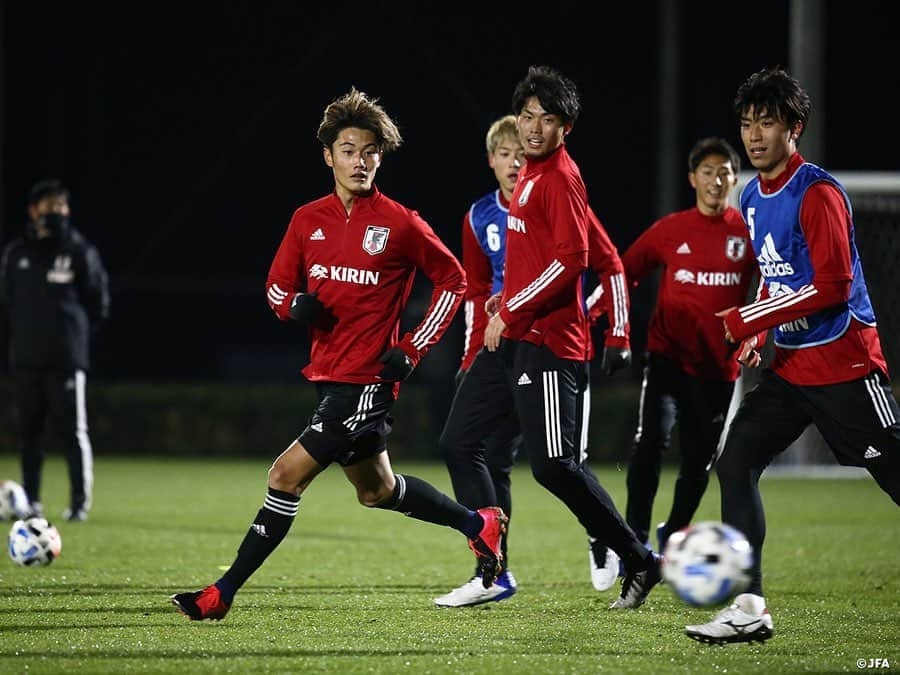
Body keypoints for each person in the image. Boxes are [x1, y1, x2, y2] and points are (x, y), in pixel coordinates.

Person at [170, 87, 507, 621]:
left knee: (284, 476)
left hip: (368, 381)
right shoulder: (307, 220)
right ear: (328, 155)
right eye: (349, 150)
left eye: (370, 151)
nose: (360, 161)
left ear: (380, 157)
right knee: (377, 492)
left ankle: (221, 593)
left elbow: (454, 281)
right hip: (330, 375)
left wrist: (412, 347)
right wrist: (295, 305)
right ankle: (478, 525)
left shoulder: (400, 222)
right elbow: (276, 288)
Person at [685, 67, 900, 645]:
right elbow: (776, 278)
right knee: (735, 463)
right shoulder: (751, 193)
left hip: (844, 363)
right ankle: (749, 606)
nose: (754, 135)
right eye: (747, 124)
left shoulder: (819, 192)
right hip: (792, 368)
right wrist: (760, 327)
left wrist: (750, 320)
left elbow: (831, 286)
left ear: (794, 129)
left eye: (768, 123)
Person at [437, 65, 659, 611]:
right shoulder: (530, 173)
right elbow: (532, 257)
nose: (534, 128)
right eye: (528, 116)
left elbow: (574, 261)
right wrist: (500, 300)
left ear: (566, 126)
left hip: (550, 343)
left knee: (554, 467)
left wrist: (509, 307)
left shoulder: (559, 177)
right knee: (460, 442)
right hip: (512, 335)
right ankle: (491, 570)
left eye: (548, 118)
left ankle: (637, 558)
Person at [614, 137, 757, 557]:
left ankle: (674, 535)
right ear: (693, 178)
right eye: (708, 172)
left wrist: (756, 331)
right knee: (649, 444)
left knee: (698, 464)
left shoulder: (747, 232)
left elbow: (771, 284)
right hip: (666, 357)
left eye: (724, 172)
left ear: (735, 178)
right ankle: (634, 540)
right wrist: (606, 316)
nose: (716, 180)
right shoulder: (671, 229)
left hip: (718, 367)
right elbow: (624, 271)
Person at [0, 179, 109, 522]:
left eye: (61, 207)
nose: (56, 213)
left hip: (66, 359)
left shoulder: (79, 251)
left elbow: (98, 302)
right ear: (33, 211)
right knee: (30, 432)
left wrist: (71, 335)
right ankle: (31, 501)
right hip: (27, 359)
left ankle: (79, 503)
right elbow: (8, 301)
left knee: (72, 432)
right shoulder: (17, 253)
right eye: (49, 207)